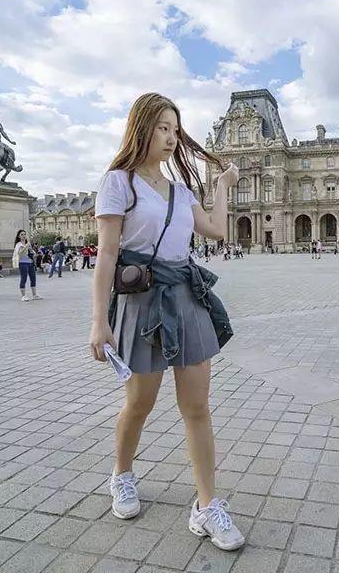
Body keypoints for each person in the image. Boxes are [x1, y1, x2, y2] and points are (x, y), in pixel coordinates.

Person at [88, 92, 243, 551]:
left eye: (176, 130)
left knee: (197, 407)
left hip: (187, 298)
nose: (172, 137)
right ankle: (121, 474)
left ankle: (207, 505)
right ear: (140, 128)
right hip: (143, 304)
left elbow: (216, 230)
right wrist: (99, 322)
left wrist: (221, 187)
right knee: (140, 403)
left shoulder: (180, 191)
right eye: (162, 128)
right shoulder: (118, 183)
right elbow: (108, 255)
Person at [12, 230, 42, 301]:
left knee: (33, 278)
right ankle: (23, 295)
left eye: (24, 234)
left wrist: (32, 251)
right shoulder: (18, 244)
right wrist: (26, 246)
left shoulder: (28, 243)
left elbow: (32, 253)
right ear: (19, 236)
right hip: (22, 263)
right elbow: (20, 254)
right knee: (24, 278)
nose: (23, 236)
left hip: (30, 262)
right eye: (22, 235)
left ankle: (34, 295)